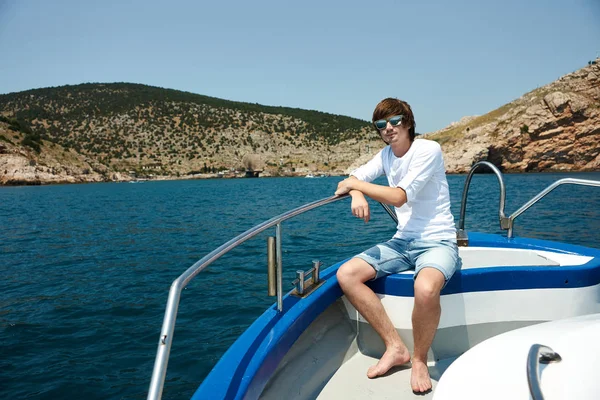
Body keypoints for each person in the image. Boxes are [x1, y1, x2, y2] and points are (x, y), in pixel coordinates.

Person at [334, 97, 460, 393]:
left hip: (437, 240)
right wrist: (355, 193)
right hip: (403, 240)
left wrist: (359, 186)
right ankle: (395, 347)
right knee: (347, 274)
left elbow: (399, 197)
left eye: (394, 121)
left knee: (425, 288)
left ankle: (418, 359)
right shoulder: (385, 156)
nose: (388, 128)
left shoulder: (428, 149)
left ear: (408, 122)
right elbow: (345, 182)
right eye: (381, 124)